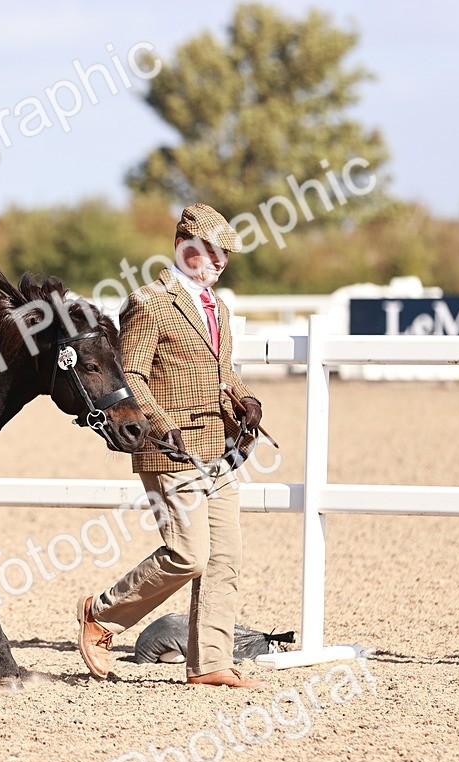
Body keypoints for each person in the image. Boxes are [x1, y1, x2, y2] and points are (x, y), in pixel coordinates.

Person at [77, 203, 267, 688]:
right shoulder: (149, 302)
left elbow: (224, 370)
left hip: (219, 447)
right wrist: (160, 425)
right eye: (214, 252)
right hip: (170, 450)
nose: (222, 262)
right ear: (187, 248)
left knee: (226, 557)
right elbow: (132, 376)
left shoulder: (217, 308)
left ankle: (210, 663)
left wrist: (245, 399)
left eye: (226, 253)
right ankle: (102, 614)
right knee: (188, 554)